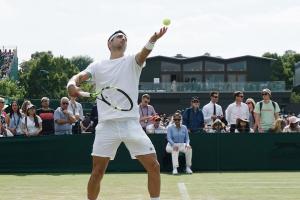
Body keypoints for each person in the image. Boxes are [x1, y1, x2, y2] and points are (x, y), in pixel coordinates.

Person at [67, 27, 167, 200]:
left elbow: (143, 54)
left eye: (125, 38)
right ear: (109, 43)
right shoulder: (97, 66)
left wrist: (153, 40)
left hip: (131, 124)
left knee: (154, 166)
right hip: (107, 126)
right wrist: (71, 83)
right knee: (97, 172)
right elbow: (79, 77)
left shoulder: (132, 61)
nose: (123, 39)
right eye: (119, 36)